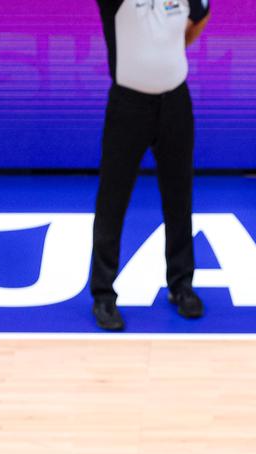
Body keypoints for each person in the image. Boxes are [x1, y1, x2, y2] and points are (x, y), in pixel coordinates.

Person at [91, 0, 210, 331]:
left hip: (175, 103)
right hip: (128, 106)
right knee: (112, 200)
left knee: (178, 197)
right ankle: (103, 294)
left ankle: (181, 285)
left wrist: (174, 47)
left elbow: (202, 14)